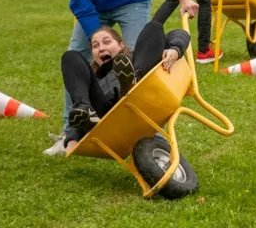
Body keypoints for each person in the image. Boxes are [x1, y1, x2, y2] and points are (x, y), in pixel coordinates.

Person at [37, 0, 198, 155]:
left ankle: (150, 131)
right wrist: (99, 44)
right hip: (95, 7)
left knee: (137, 58)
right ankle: (71, 131)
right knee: (76, 55)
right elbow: (83, 6)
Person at [61, 21, 191, 151]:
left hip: (138, 96)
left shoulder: (137, 57)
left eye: (107, 42)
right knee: (70, 56)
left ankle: (132, 81)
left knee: (154, 26)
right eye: (95, 46)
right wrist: (71, 137)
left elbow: (179, 34)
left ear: (121, 45)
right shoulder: (93, 78)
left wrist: (175, 49)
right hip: (103, 115)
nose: (101, 48)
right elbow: (79, 115)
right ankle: (88, 107)